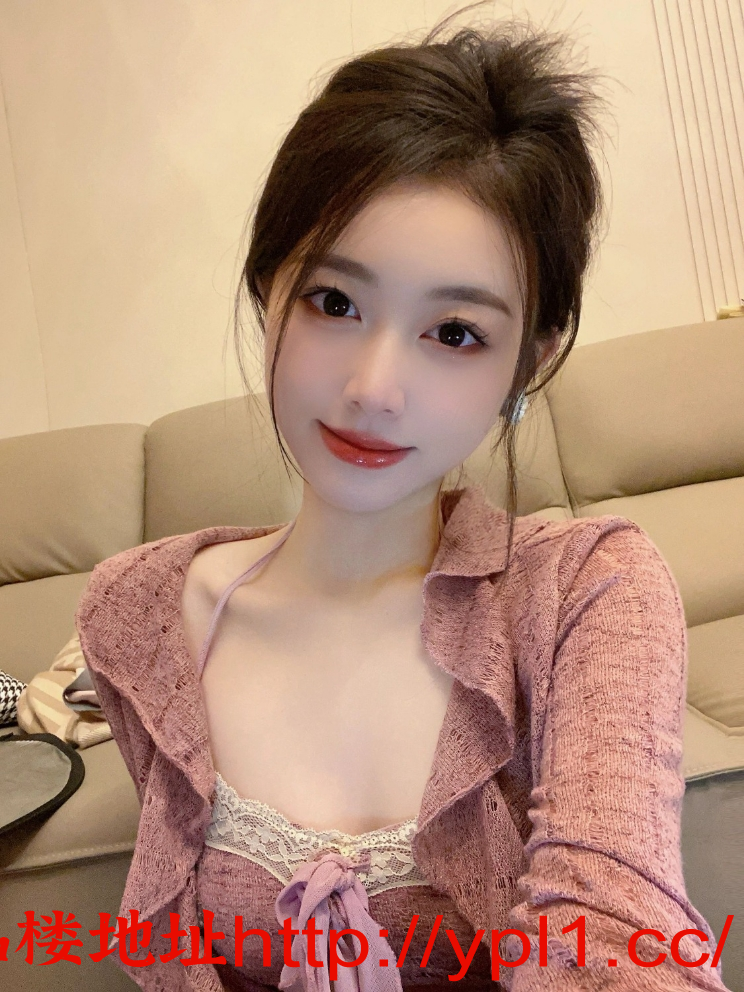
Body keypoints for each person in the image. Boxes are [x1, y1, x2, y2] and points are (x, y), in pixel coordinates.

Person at [75, 4, 731, 990]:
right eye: (334, 301)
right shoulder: (140, 617)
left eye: (456, 332)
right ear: (266, 291)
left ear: (528, 361)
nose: (375, 387)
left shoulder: (587, 591)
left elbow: (617, 932)